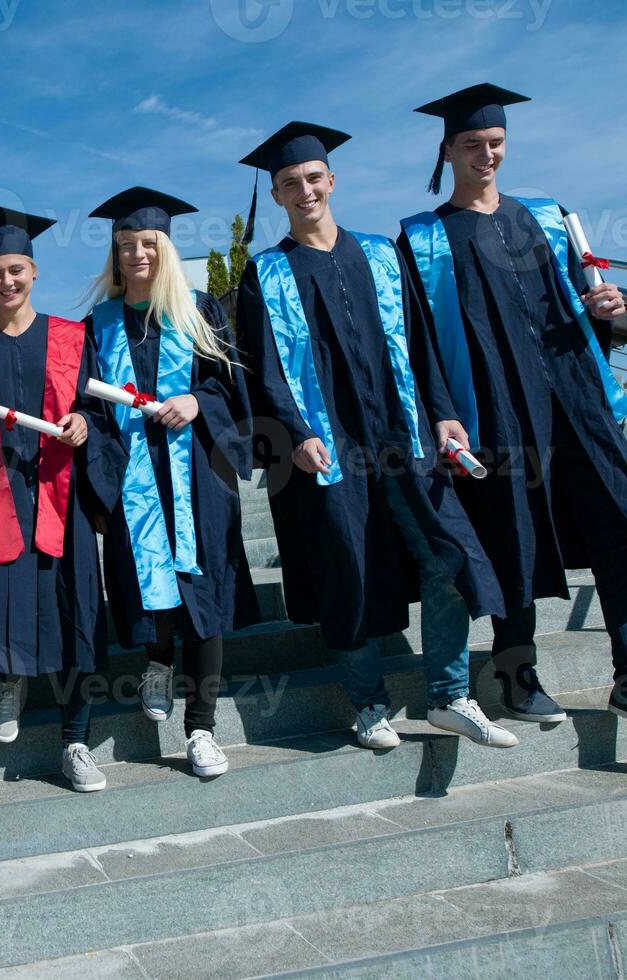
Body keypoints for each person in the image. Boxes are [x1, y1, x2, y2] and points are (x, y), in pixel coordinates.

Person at [235, 123, 514, 751]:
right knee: (347, 569)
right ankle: (367, 704)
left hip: (404, 432)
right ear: (277, 196)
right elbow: (266, 370)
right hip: (329, 446)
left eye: (312, 178)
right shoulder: (267, 274)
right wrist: (295, 432)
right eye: (289, 184)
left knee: (449, 555)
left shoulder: (382, 253)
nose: (304, 190)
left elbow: (420, 340)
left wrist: (442, 410)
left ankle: (449, 694)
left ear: (331, 181)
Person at [397, 84, 627, 722]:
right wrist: (444, 412)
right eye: (473, 145)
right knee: (513, 536)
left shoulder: (546, 216)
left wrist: (610, 310)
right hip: (496, 404)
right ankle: (518, 678)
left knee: (619, 514)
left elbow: (581, 307)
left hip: (576, 395)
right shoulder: (424, 239)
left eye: (496, 143)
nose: (487, 155)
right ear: (447, 152)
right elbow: (420, 343)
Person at [0, 205, 126, 791]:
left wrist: (87, 426)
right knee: (2, 602)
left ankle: (76, 741)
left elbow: (98, 408)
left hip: (59, 500)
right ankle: (7, 683)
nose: (6, 282)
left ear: (34, 271)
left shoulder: (71, 336)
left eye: (16, 270)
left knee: (75, 613)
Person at [83, 188, 258, 778]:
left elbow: (232, 388)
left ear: (165, 249)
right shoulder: (96, 325)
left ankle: (202, 729)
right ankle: (157, 663)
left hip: (199, 478)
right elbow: (91, 411)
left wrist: (194, 399)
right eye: (127, 244)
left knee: (202, 600)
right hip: (132, 480)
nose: (138, 254)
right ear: (115, 252)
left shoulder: (200, 310)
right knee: (149, 589)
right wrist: (100, 491)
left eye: (149, 243)